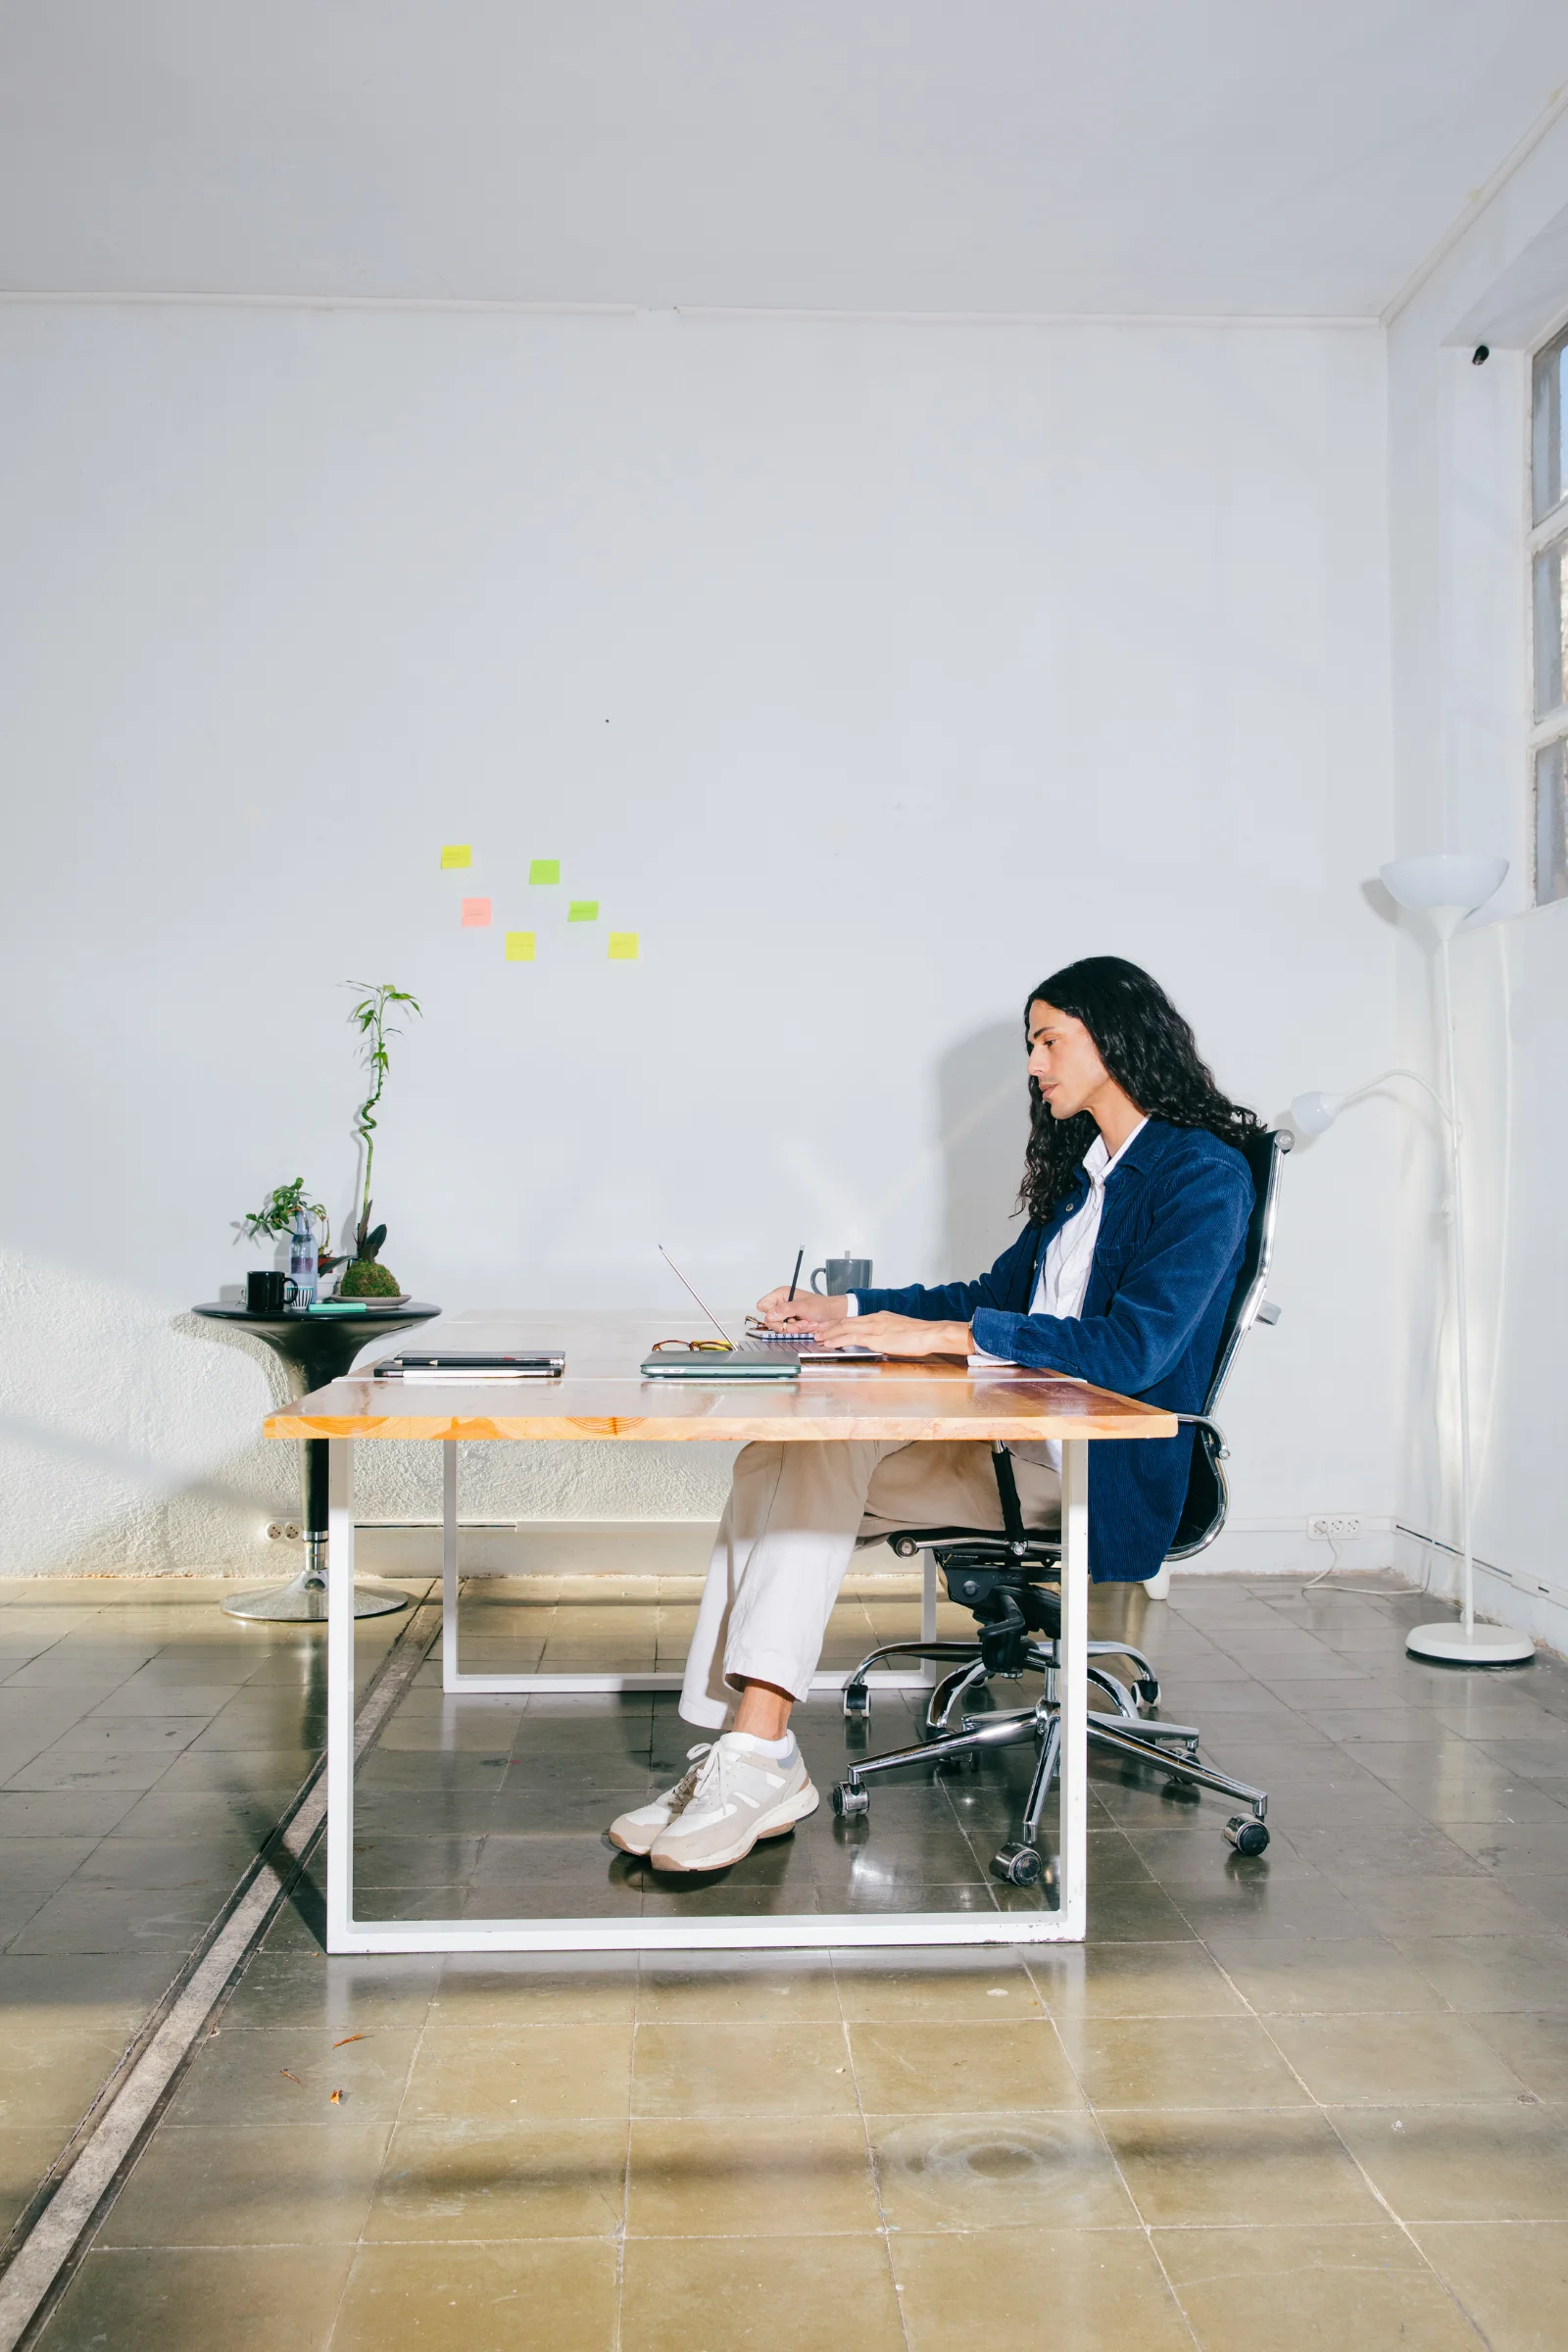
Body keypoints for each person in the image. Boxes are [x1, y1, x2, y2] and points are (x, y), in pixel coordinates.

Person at [611, 956, 1259, 1875]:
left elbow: (1134, 1351)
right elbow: (990, 1294)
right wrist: (846, 1313)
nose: (1034, 1067)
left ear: (1116, 1038)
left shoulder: (1202, 1174)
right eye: (1030, 1046)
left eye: (1049, 1042)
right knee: (777, 1455)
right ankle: (748, 1750)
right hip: (1014, 1446)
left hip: (1097, 1471)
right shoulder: (1087, 1177)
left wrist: (952, 1335)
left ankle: (757, 1754)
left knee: (830, 1451)